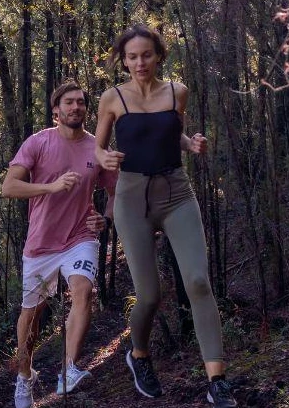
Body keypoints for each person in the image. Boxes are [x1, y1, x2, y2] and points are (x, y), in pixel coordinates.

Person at [93, 23, 238, 407]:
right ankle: (139, 354)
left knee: (198, 282)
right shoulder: (112, 98)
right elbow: (97, 148)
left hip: (176, 194)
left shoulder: (177, 92)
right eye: (132, 57)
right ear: (124, 61)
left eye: (146, 55)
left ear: (158, 56)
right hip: (132, 199)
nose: (140, 62)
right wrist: (104, 158)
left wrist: (193, 145)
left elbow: (174, 135)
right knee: (150, 295)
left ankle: (217, 381)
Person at [1, 81, 118, 408]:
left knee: (84, 291)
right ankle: (25, 377)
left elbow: (114, 193)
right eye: (69, 102)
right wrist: (51, 187)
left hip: (80, 237)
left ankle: (68, 369)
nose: (76, 107)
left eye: (81, 102)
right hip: (41, 244)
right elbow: (8, 187)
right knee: (31, 317)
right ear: (56, 110)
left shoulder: (97, 148)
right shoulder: (38, 142)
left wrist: (105, 219)